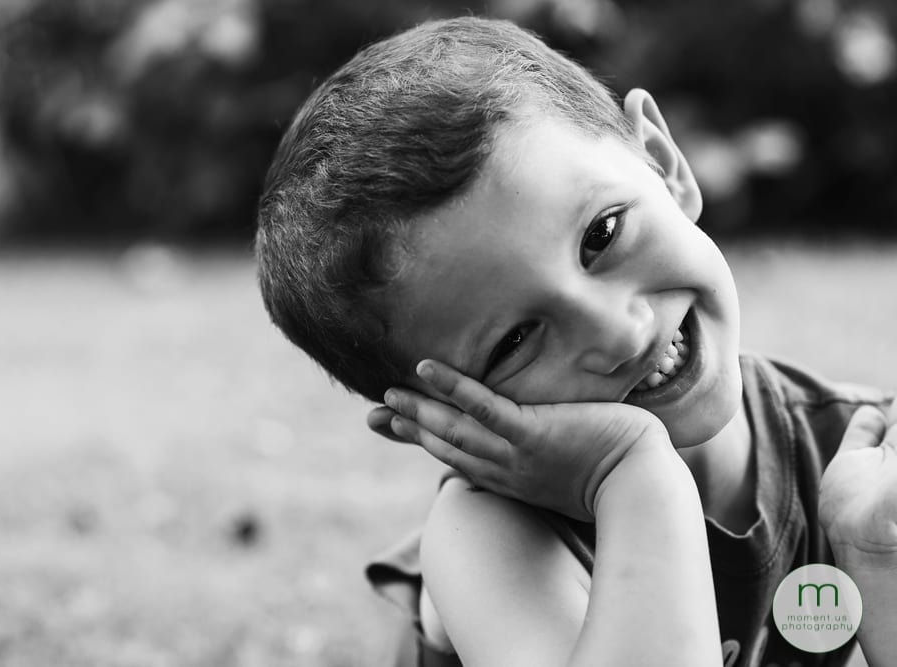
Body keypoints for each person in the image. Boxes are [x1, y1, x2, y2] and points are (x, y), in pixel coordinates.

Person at [255, 16, 897, 667]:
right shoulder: (490, 536)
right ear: (435, 419)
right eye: (514, 341)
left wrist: (878, 563)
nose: (621, 330)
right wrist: (633, 472)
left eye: (602, 234)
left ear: (663, 162)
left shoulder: (858, 464)